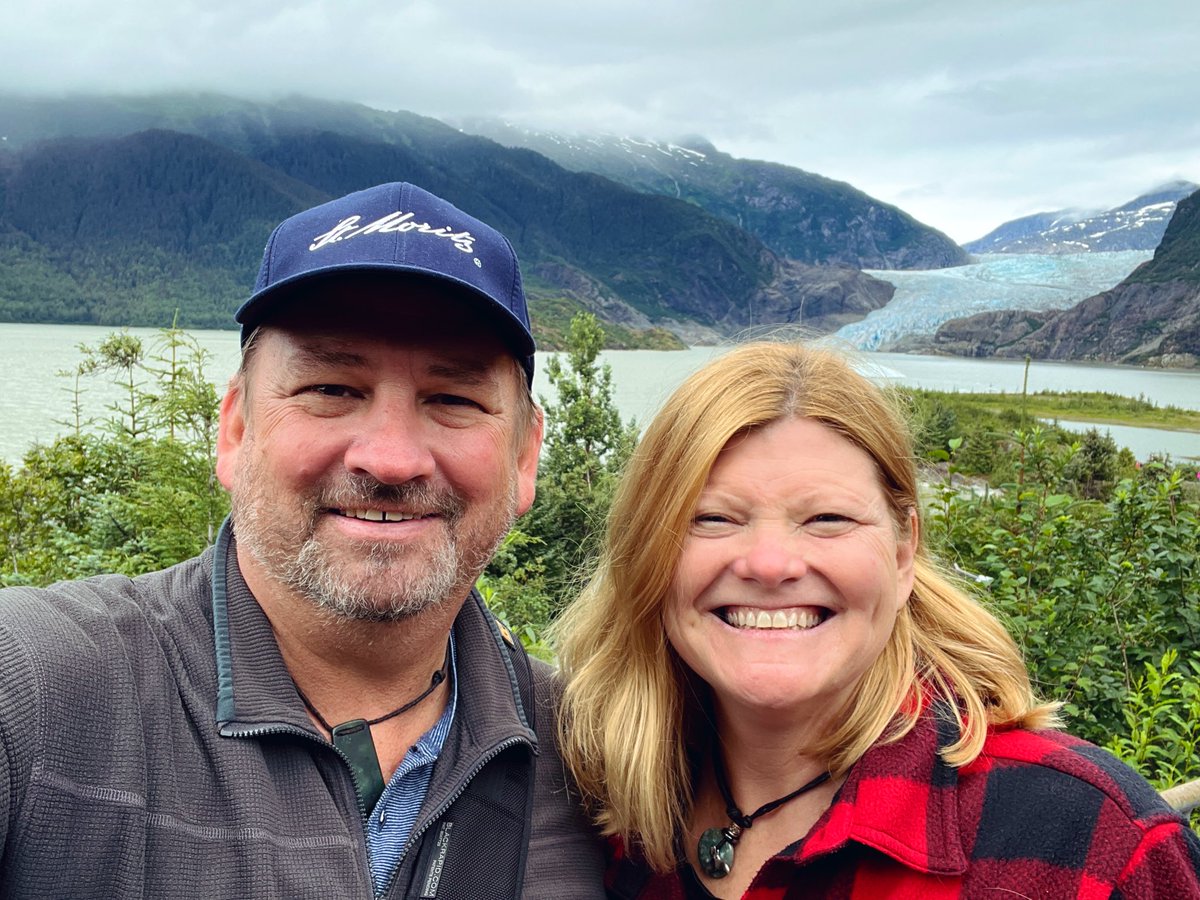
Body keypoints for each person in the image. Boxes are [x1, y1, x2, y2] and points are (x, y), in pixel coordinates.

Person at [0, 182, 605, 899]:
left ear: (525, 457)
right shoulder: (41, 692)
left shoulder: (591, 757)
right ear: (235, 430)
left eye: (453, 400)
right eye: (331, 388)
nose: (390, 458)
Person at [553, 341, 1200, 899]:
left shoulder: (1090, 843)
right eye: (713, 518)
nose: (771, 563)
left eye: (827, 519)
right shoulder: (597, 806)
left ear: (902, 551)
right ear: (647, 553)